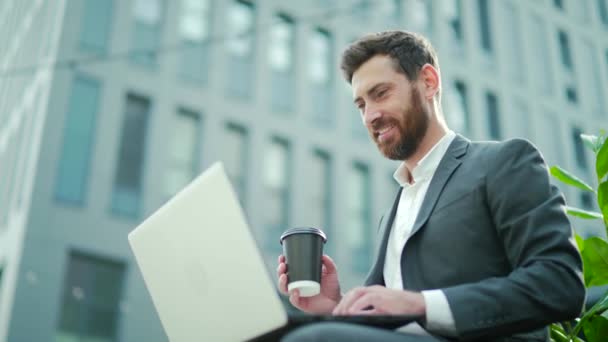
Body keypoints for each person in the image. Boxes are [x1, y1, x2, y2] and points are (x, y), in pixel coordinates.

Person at [276, 30, 585, 341]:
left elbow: (559, 284)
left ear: (428, 81)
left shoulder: (504, 162)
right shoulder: (392, 214)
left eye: (381, 93)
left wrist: (421, 304)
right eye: (361, 105)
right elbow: (386, 318)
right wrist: (332, 306)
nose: (370, 115)